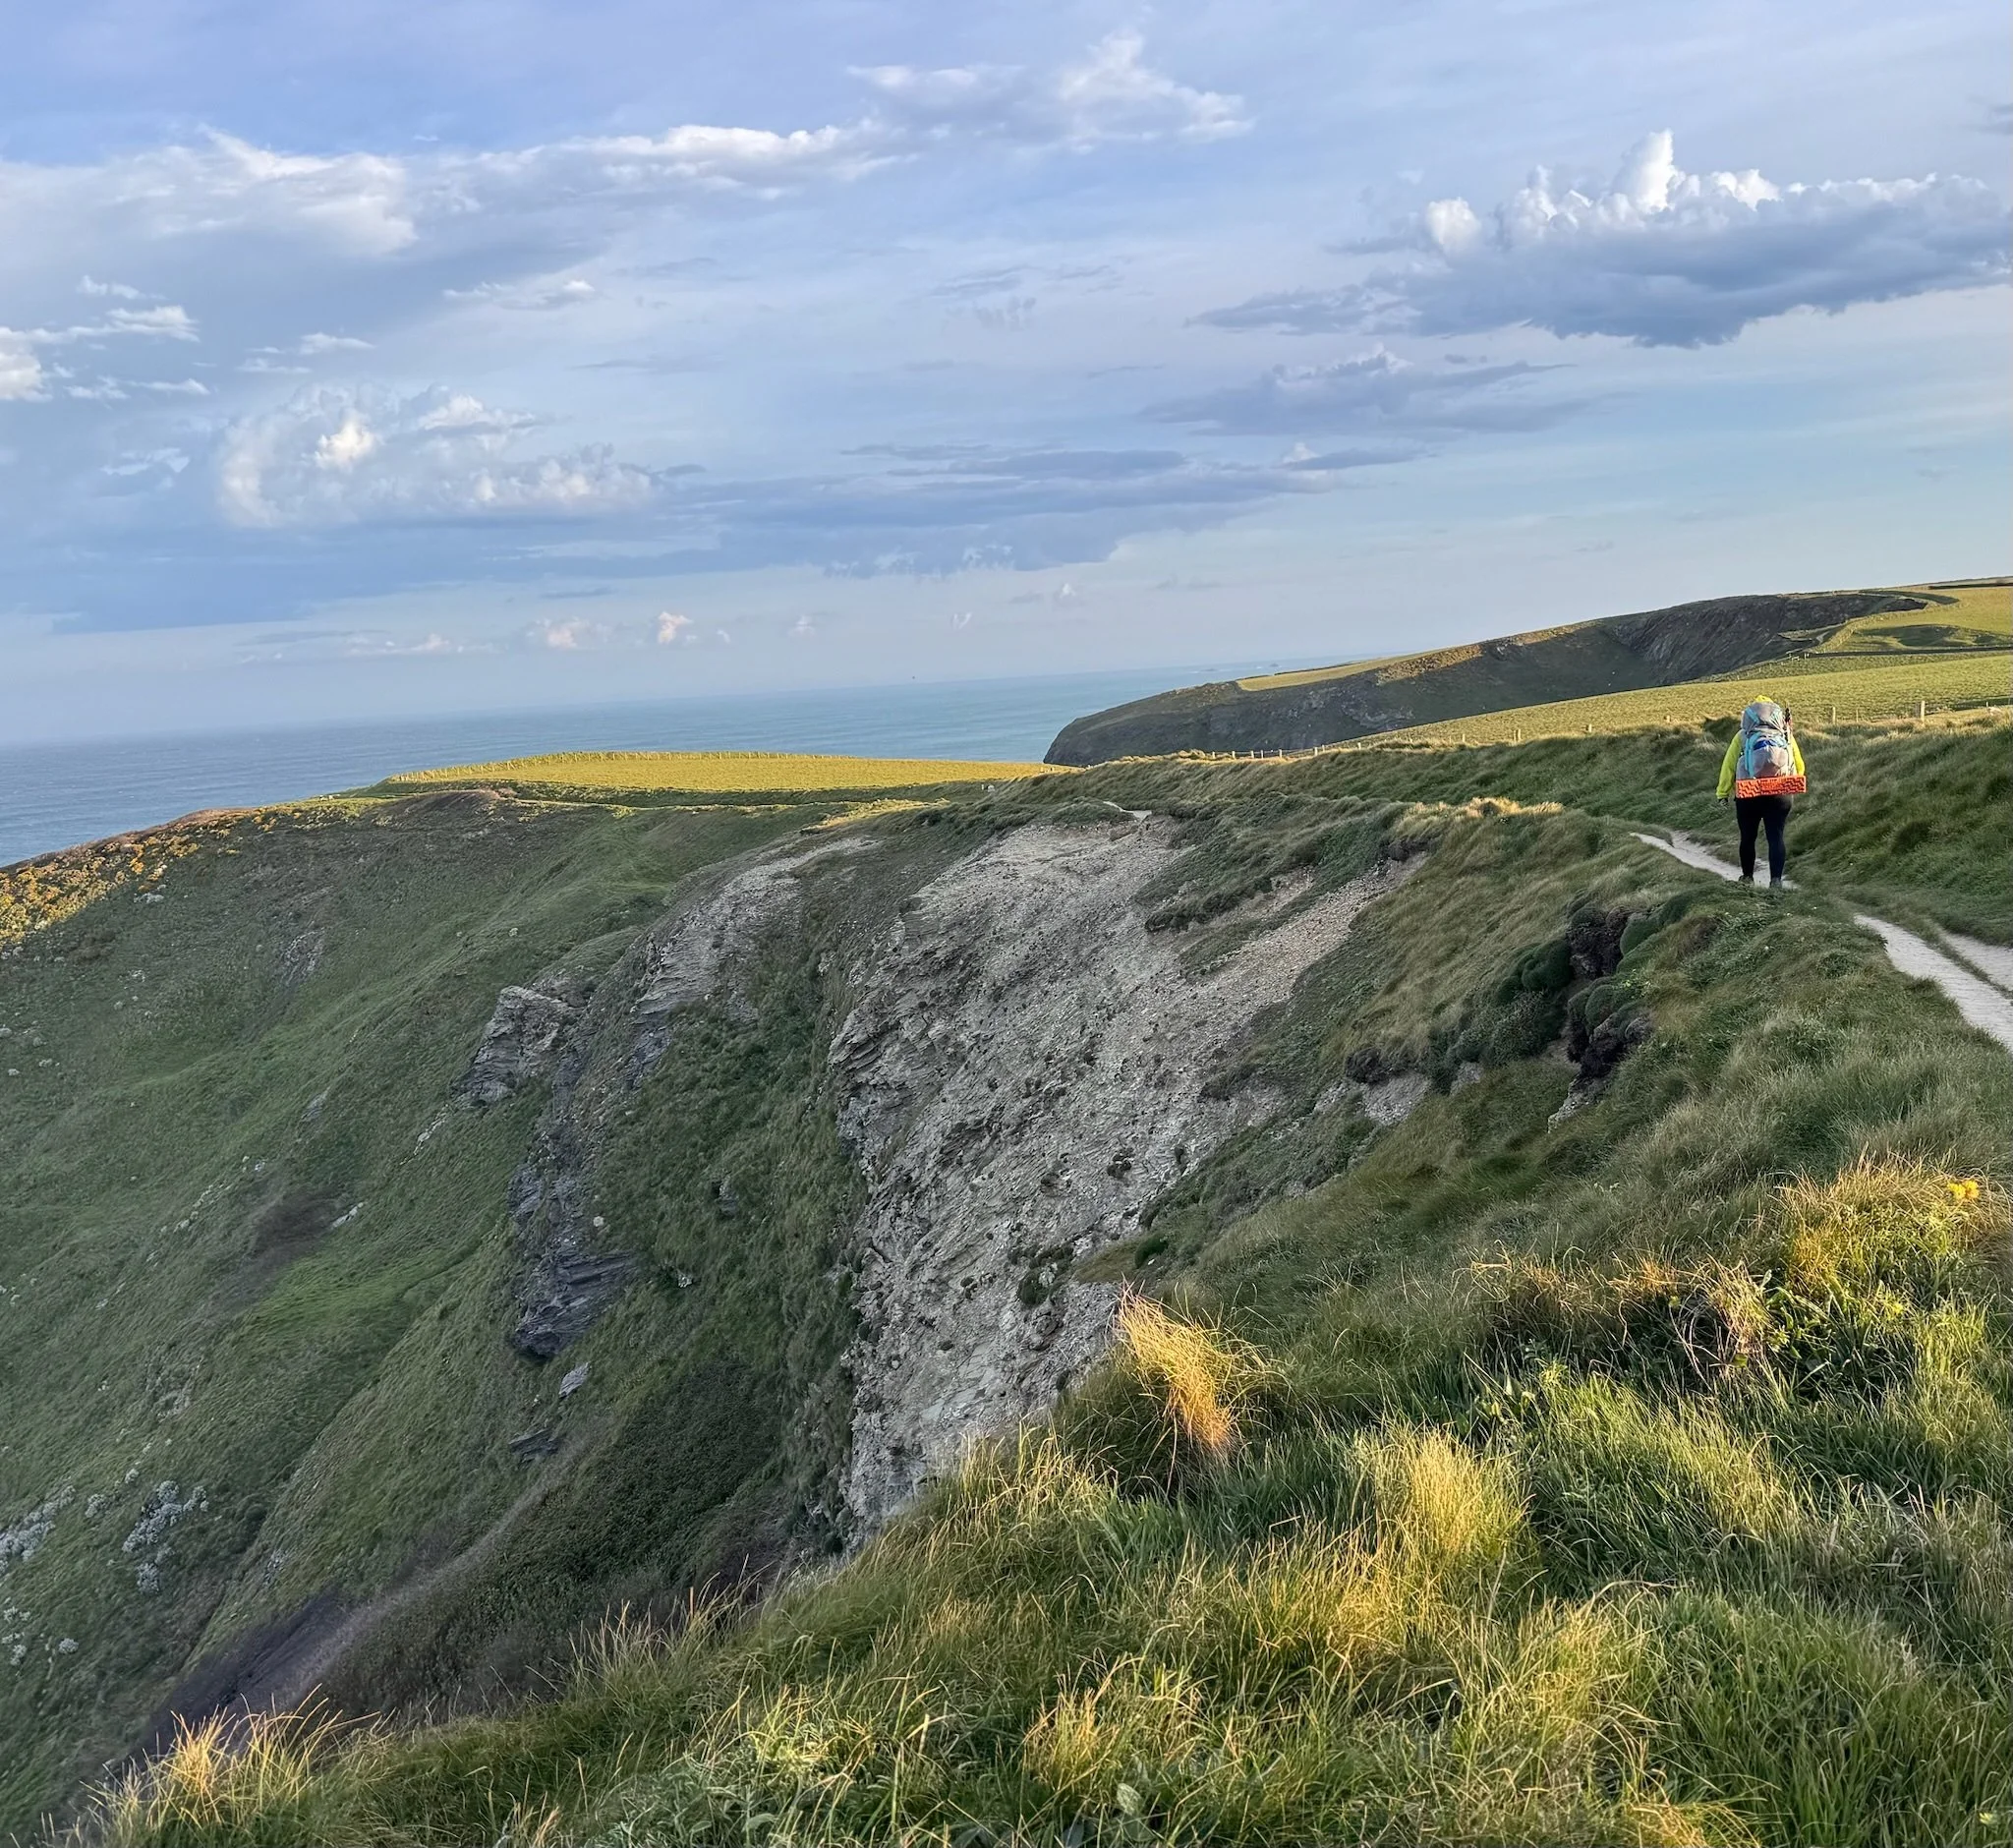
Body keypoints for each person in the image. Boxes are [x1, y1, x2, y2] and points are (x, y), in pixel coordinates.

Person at [1717, 700, 1806, 888]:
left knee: (1748, 838)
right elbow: (1799, 766)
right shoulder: (1786, 735)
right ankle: (1776, 881)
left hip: (1749, 792)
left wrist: (1722, 793)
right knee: (1776, 836)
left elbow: (1729, 766)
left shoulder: (1742, 736)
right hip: (1780, 792)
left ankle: (1747, 878)